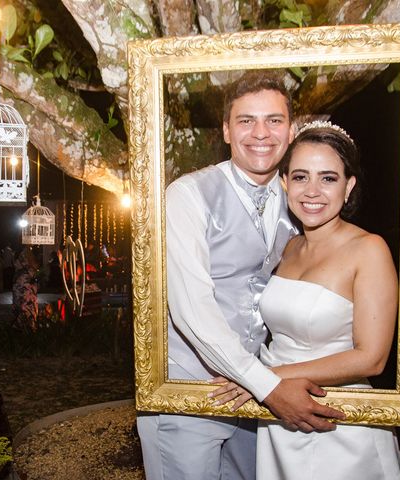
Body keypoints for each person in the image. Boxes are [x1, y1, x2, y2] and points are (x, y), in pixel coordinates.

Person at [137, 72, 344, 480]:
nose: (260, 133)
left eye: (274, 120)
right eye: (246, 120)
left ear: (291, 130)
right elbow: (191, 311)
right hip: (188, 394)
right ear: (227, 131)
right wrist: (268, 386)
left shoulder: (297, 200)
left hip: (253, 400)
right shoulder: (187, 194)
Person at [213, 122, 400, 479]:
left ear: (348, 186)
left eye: (328, 178)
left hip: (339, 422)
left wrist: (263, 378)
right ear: (284, 182)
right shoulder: (289, 247)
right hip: (279, 415)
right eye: (301, 176)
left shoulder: (369, 249)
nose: (312, 191)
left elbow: (372, 358)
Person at [12, 247, 39, 331]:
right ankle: (26, 330)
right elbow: (33, 269)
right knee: (25, 309)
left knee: (23, 308)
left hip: (23, 287)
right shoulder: (25, 253)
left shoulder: (22, 253)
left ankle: (23, 329)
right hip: (24, 288)